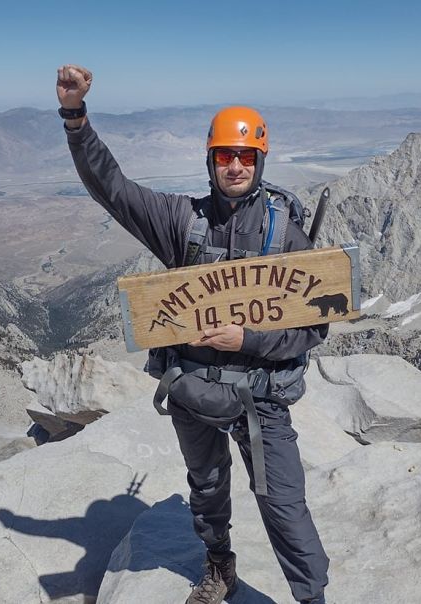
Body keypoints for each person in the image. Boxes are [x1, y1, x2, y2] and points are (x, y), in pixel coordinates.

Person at [57, 64, 329, 604]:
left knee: (284, 504)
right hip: (193, 390)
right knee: (206, 489)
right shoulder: (183, 221)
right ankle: (219, 565)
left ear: (260, 162)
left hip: (261, 398)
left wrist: (247, 342)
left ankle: (312, 597)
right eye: (225, 155)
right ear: (210, 161)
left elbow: (311, 328)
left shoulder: (288, 236)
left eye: (246, 156)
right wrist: (75, 117)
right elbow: (113, 189)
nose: (235, 165)